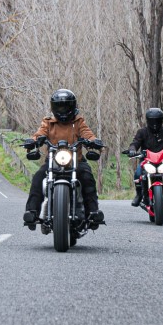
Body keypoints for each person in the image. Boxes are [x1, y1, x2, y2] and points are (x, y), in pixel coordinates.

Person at [23, 89, 105, 230]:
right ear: (54, 107)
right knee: (37, 178)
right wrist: (33, 141)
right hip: (53, 162)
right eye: (59, 107)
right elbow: (39, 133)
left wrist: (93, 141)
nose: (63, 110)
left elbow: (87, 133)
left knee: (87, 177)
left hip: (76, 161)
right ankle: (32, 212)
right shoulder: (49, 123)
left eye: (66, 106)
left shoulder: (78, 122)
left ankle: (93, 212)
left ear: (72, 106)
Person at [127, 107, 163, 208]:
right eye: (152, 120)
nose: (154, 123)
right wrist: (132, 150)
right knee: (137, 173)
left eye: (157, 120)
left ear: (161, 120)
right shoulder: (142, 132)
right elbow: (135, 143)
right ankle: (139, 194)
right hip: (146, 161)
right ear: (148, 120)